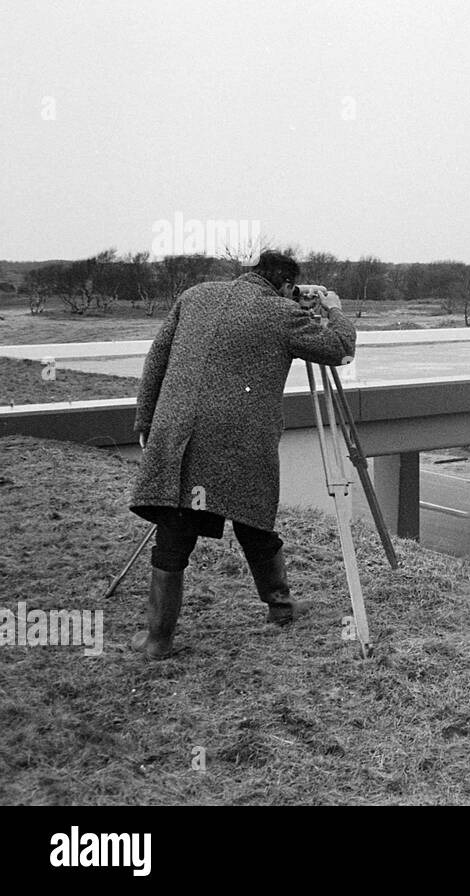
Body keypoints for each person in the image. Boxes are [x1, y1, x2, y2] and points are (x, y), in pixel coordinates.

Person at [128, 250, 356, 659]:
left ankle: (159, 638)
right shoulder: (280, 314)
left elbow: (157, 357)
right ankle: (279, 606)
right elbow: (340, 349)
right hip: (240, 441)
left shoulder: (196, 296)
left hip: (178, 432)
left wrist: (146, 420)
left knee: (176, 531)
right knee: (253, 516)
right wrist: (333, 309)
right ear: (285, 285)